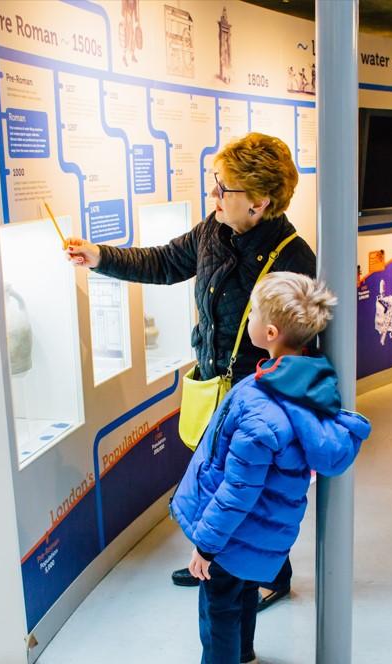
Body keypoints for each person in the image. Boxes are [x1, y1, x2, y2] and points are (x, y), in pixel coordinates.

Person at [64, 132, 315, 608]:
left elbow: (303, 347)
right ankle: (215, 561)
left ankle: (268, 575)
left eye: (224, 188)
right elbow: (162, 262)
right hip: (215, 384)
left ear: (259, 202)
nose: (213, 195)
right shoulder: (211, 232)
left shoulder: (294, 259)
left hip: (261, 398)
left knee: (254, 490)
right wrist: (100, 257)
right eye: (215, 183)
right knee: (215, 477)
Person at [171, 272, 371, 664]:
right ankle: (244, 654)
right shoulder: (304, 385)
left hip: (231, 534)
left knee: (219, 610)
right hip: (259, 533)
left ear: (271, 331)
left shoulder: (262, 409)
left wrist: (206, 546)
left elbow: (237, 490)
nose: (248, 320)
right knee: (242, 593)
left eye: (254, 314)